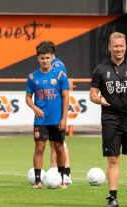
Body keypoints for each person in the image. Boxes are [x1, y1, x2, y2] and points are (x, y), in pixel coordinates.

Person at [89, 32, 127, 207]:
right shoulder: (100, 69)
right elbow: (92, 94)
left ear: (125, 47)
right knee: (113, 160)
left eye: (121, 46)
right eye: (115, 46)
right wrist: (99, 99)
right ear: (109, 48)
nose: (119, 49)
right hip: (110, 120)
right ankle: (113, 197)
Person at [25, 45, 69, 189]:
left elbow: (66, 98)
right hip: (41, 120)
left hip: (57, 119)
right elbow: (28, 98)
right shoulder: (32, 77)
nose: (45, 60)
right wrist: (34, 107)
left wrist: (64, 118)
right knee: (39, 148)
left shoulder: (60, 75)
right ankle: (38, 181)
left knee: (59, 148)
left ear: (52, 58)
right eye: (42, 58)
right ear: (38, 58)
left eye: (47, 58)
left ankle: (62, 179)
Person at [36, 41, 72, 184]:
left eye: (46, 55)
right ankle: (56, 172)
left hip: (56, 111)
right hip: (51, 112)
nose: (44, 59)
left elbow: (62, 88)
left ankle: (65, 173)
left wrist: (63, 116)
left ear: (51, 54)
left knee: (60, 143)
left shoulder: (57, 65)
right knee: (54, 143)